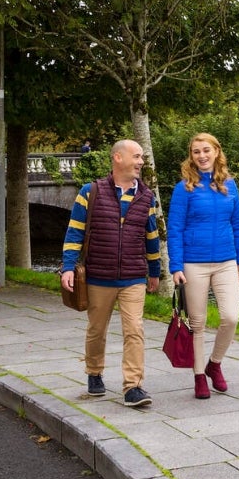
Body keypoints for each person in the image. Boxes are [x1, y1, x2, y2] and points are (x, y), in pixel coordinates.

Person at [60, 139, 161, 408]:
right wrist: (68, 266)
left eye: (141, 157)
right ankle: (94, 373)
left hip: (133, 275)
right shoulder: (90, 191)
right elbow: (75, 231)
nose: (141, 162)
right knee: (96, 329)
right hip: (98, 275)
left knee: (135, 329)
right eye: (136, 156)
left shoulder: (147, 196)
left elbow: (151, 237)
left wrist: (155, 271)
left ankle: (133, 387)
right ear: (118, 158)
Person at [167, 133, 239, 400]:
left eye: (206, 150)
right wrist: (176, 266)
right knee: (198, 324)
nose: (201, 156)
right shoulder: (184, 188)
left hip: (226, 261)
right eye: (196, 152)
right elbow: (175, 229)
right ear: (191, 156)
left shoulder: (230, 185)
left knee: (230, 317)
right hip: (193, 263)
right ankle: (199, 375)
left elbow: (237, 225)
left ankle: (215, 363)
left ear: (216, 152)